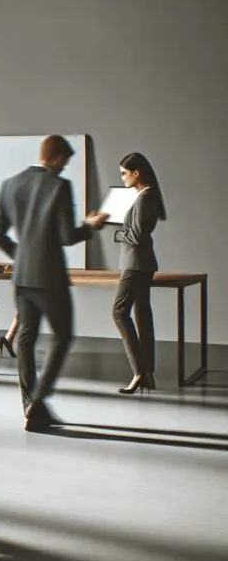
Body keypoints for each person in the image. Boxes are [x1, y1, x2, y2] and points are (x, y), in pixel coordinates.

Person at [0, 134, 109, 430]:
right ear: (57, 157)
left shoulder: (9, 184)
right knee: (63, 336)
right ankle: (38, 403)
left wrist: (23, 256)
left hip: (22, 276)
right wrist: (92, 226)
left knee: (26, 339)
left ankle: (30, 405)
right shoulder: (59, 185)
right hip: (49, 277)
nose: (64, 168)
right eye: (65, 162)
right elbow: (67, 236)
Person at [112, 152, 166, 395]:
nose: (122, 177)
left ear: (137, 173)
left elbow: (135, 236)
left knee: (119, 312)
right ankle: (147, 375)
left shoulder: (144, 198)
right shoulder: (146, 195)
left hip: (135, 264)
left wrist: (117, 234)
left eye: (124, 173)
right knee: (142, 314)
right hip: (141, 263)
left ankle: (139, 372)